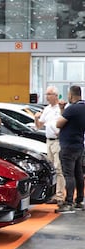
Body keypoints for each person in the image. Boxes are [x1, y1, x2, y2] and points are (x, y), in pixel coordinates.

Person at [34, 86, 65, 206]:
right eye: (46, 94)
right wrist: (36, 118)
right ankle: (53, 194)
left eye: (49, 94)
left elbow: (64, 123)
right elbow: (39, 126)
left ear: (55, 96)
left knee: (59, 168)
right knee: (52, 168)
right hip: (49, 140)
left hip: (58, 141)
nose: (47, 97)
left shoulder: (61, 109)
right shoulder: (47, 109)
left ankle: (60, 195)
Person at [55, 85, 85, 213]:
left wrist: (64, 110)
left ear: (71, 95)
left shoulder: (72, 108)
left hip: (68, 146)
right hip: (79, 145)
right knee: (79, 174)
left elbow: (59, 124)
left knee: (69, 174)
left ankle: (68, 202)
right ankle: (79, 201)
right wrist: (62, 109)